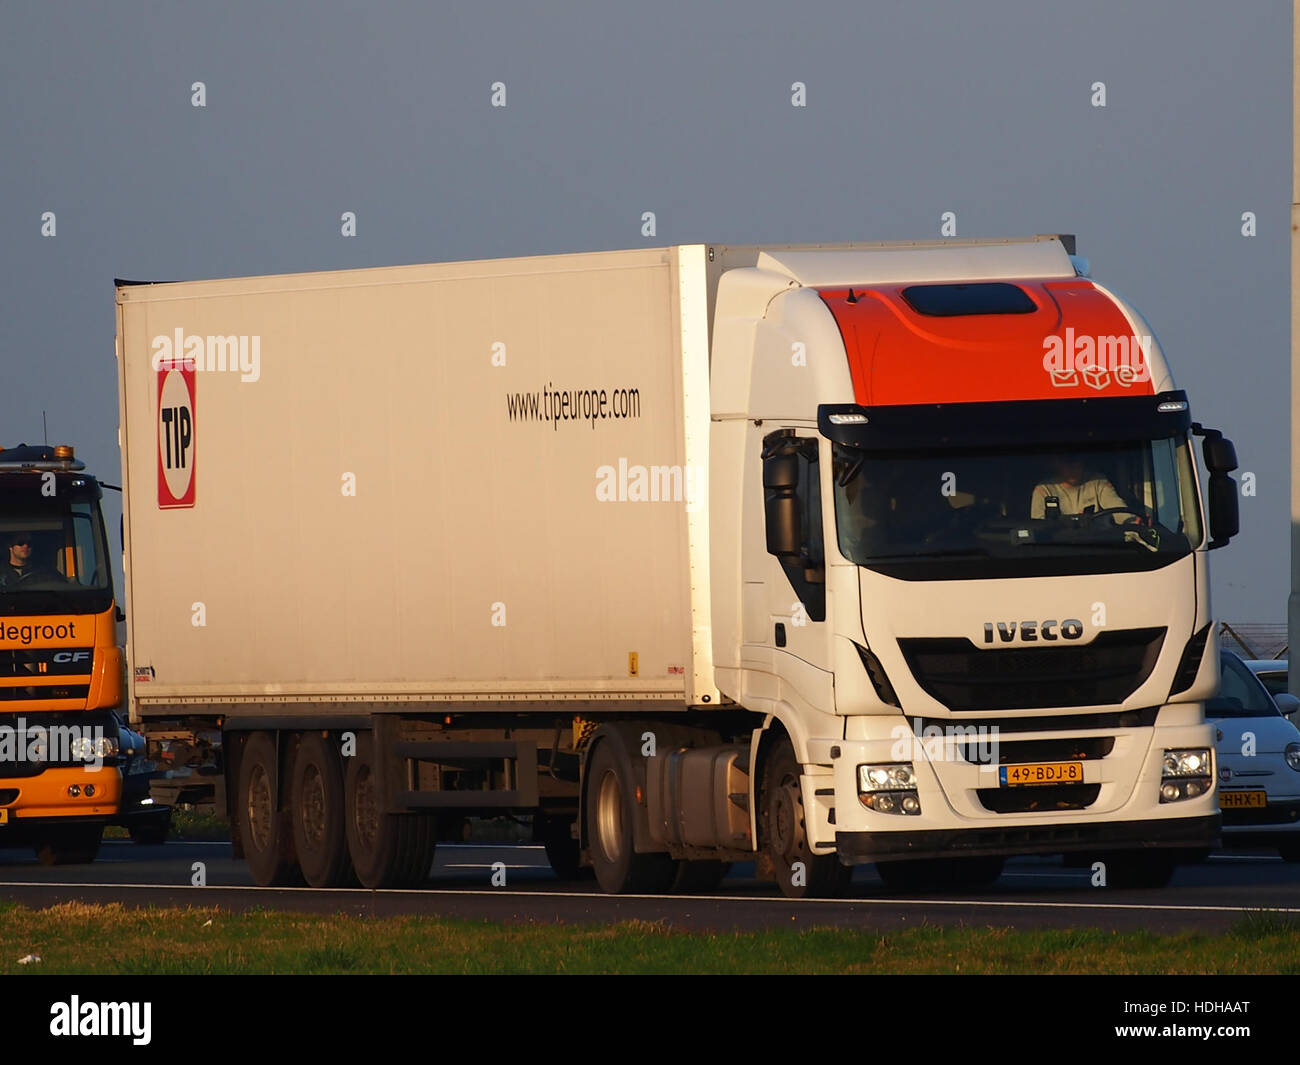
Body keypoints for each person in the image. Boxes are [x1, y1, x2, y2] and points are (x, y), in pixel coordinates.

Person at [1030, 455, 1130, 521]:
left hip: (1099, 543)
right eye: (1067, 462)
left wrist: (1133, 521)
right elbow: (1039, 526)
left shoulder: (1098, 482)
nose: (1073, 467)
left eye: (1076, 461)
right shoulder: (1043, 489)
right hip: (1060, 547)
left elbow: (1118, 510)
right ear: (1056, 464)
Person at [0, 532, 65, 590]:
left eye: (29, 543)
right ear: (10, 546)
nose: (26, 546)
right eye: (20, 543)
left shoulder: (44, 572)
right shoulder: (2, 571)